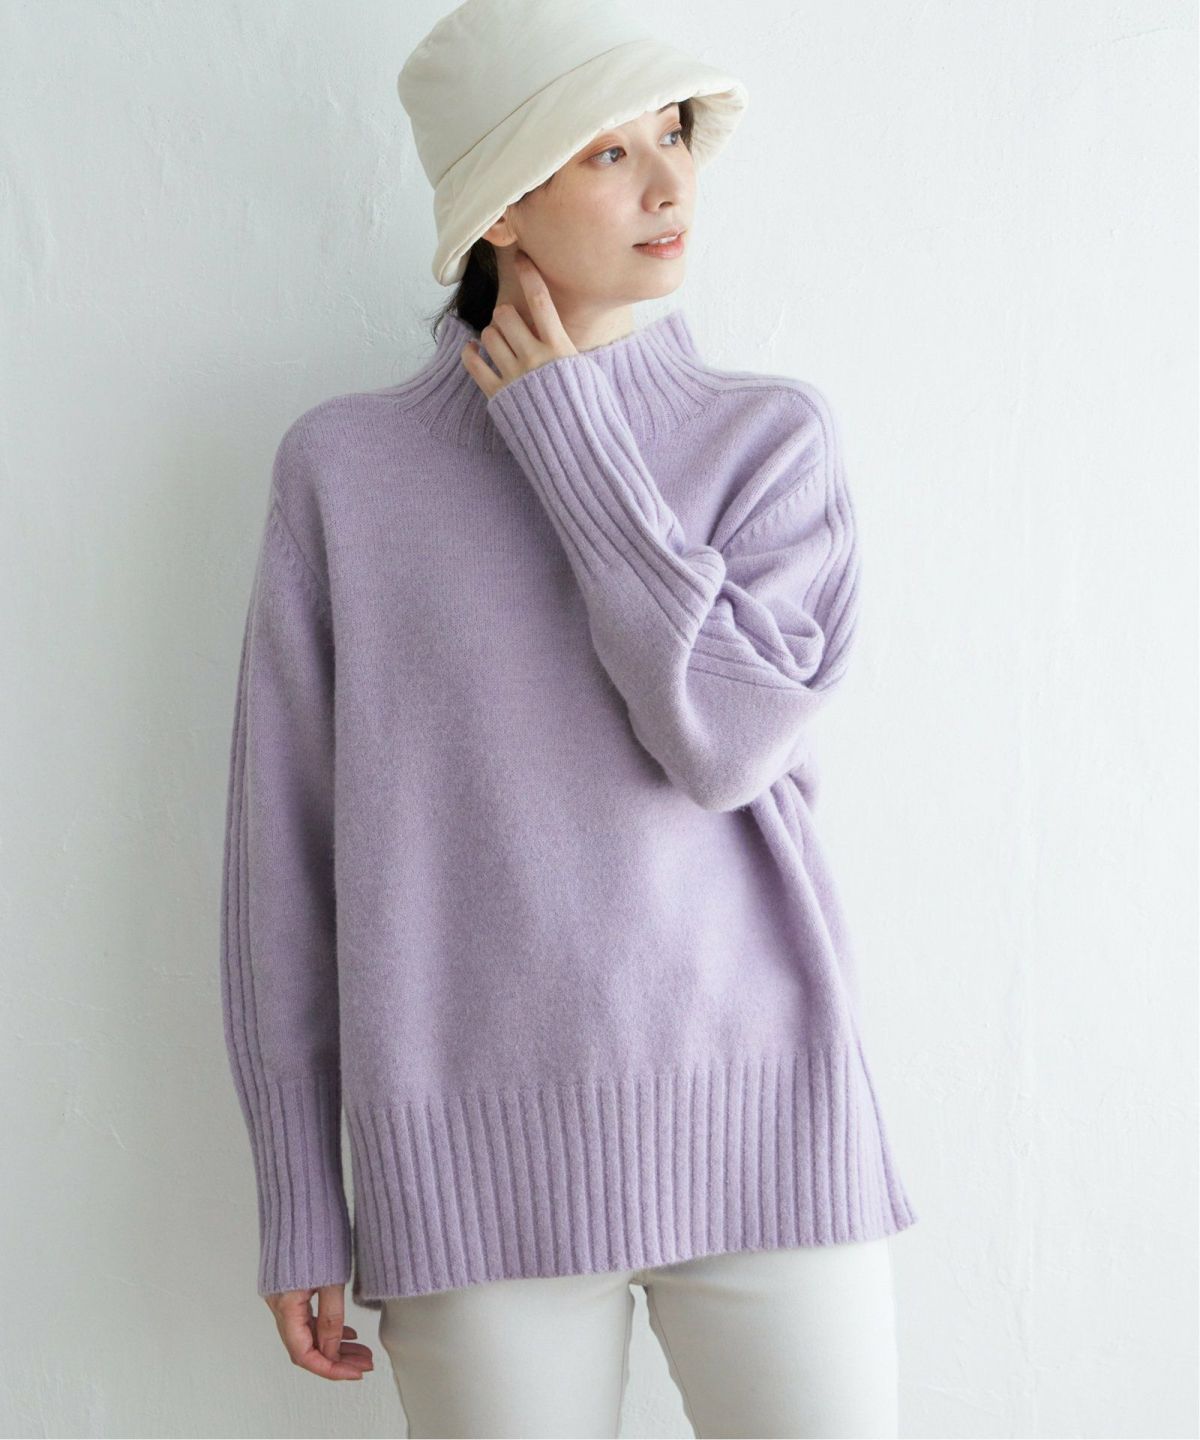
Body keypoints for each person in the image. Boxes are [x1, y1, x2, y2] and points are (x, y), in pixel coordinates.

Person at [217, 0, 920, 1434]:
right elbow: (280, 862)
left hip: (766, 1136)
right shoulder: (346, 473)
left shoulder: (770, 440)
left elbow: (724, 743)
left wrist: (570, 440)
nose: (670, 183)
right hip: (467, 1173)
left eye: (674, 136)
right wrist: (298, 1191)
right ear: (500, 206)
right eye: (609, 152)